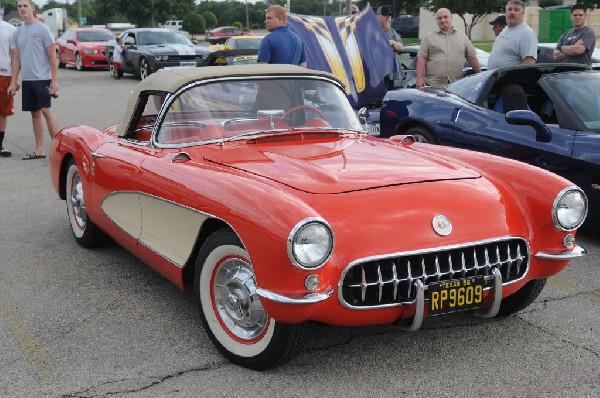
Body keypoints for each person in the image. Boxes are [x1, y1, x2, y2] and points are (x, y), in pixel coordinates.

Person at [8, 0, 60, 160]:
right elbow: (16, 60)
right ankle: (39, 150)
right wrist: (14, 81)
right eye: (20, 6)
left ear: (32, 8)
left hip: (43, 78)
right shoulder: (17, 32)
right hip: (28, 80)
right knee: (35, 113)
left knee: (46, 111)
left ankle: (59, 149)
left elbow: (52, 56)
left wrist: (54, 81)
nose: (22, 9)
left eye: (25, 6)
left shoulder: (42, 29)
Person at [416, 8, 481, 88]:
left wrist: (481, 75)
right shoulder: (428, 37)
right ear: (436, 20)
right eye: (440, 18)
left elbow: (471, 57)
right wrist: (419, 78)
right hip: (433, 85)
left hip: (456, 85)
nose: (443, 20)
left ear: (451, 18)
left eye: (445, 17)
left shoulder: (462, 36)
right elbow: (421, 58)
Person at [487, 0, 537, 69]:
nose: (512, 12)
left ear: (523, 13)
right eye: (509, 9)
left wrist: (515, 78)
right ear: (506, 12)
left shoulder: (527, 33)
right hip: (495, 78)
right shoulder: (506, 29)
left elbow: (529, 61)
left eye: (516, 10)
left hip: (510, 79)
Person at [376, 5, 405, 88]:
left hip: (391, 75)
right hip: (378, 76)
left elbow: (401, 47)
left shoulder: (391, 31)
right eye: (385, 15)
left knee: (389, 99)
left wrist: (392, 43)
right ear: (378, 17)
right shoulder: (372, 31)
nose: (388, 18)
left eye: (389, 16)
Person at [0, 18, 16, 157]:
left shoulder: (10, 29)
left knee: (3, 112)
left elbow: (15, 56)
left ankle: (0, 145)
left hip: (4, 75)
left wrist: (14, 80)